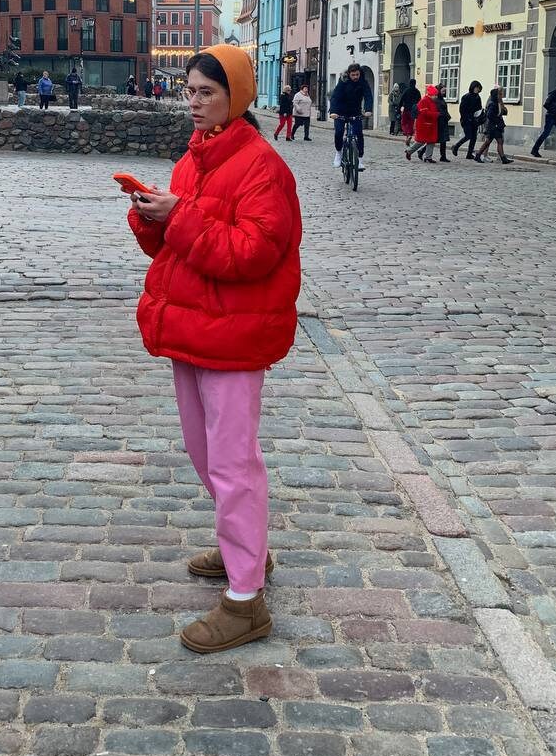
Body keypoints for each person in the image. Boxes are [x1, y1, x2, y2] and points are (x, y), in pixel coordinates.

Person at [125, 44, 302, 653]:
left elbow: (253, 253)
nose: (193, 102)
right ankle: (245, 548)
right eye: (189, 91)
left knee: (232, 463)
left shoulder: (262, 168)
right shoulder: (191, 161)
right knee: (206, 454)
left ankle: (247, 601)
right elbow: (178, 250)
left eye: (206, 92)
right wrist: (155, 219)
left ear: (238, 98)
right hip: (191, 329)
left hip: (235, 335)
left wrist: (181, 218)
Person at [329, 62, 373, 170]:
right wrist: (333, 112)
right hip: (340, 112)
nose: (355, 77)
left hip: (355, 111)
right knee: (339, 132)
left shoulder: (363, 82)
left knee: (359, 134)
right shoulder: (343, 82)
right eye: (353, 75)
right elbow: (335, 97)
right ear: (349, 74)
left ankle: (360, 160)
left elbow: (368, 96)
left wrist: (368, 110)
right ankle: (338, 153)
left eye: (357, 74)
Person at [474, 87, 513, 164]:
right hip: (493, 126)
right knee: (495, 141)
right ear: (496, 95)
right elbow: (489, 115)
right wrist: (496, 122)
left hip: (495, 126)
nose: (501, 95)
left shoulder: (497, 103)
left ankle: (479, 155)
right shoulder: (492, 103)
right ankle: (502, 158)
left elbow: (503, 111)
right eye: (499, 94)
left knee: (494, 141)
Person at [405, 84, 440, 162]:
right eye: (435, 95)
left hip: (430, 125)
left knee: (431, 141)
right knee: (421, 141)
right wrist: (437, 114)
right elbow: (425, 113)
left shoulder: (432, 101)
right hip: (424, 125)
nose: (436, 97)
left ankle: (428, 157)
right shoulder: (424, 101)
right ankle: (409, 151)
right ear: (431, 95)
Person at [452, 81, 484, 160]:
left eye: (478, 88)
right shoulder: (466, 97)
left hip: (475, 119)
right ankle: (456, 146)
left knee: (474, 137)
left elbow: (479, 107)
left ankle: (469, 154)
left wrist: (480, 114)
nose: (477, 89)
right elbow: (462, 109)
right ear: (472, 87)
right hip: (466, 120)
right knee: (468, 135)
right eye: (476, 88)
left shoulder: (478, 97)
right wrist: (467, 118)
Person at [399, 80, 420, 145]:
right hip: (413, 110)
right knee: (411, 124)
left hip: (406, 109)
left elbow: (402, 99)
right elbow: (419, 100)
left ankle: (407, 135)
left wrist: (400, 106)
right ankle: (410, 135)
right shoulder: (417, 91)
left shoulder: (406, 90)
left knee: (404, 123)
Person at [435, 83, 452, 162]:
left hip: (443, 121)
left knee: (443, 140)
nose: (444, 93)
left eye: (445, 91)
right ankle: (421, 151)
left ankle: (443, 156)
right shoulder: (437, 99)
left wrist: (447, 116)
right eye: (443, 91)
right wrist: (445, 115)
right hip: (439, 122)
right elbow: (440, 111)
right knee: (434, 139)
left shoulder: (441, 99)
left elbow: (444, 110)